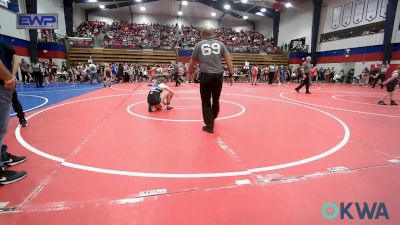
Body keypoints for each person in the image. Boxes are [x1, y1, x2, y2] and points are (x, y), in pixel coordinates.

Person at [188, 27, 234, 133]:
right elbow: (228, 59)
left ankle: (209, 125)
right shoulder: (221, 44)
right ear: (213, 34)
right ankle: (212, 117)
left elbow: (192, 62)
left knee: (205, 100)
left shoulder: (199, 45)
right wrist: (231, 75)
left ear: (201, 35)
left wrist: (190, 73)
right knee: (216, 99)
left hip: (205, 76)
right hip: (218, 76)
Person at [0, 40, 27, 185]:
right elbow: (15, 57)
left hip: (5, 83)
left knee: (1, 129)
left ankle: (2, 155)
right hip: (3, 83)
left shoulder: (5, 46)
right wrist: (9, 77)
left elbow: (15, 57)